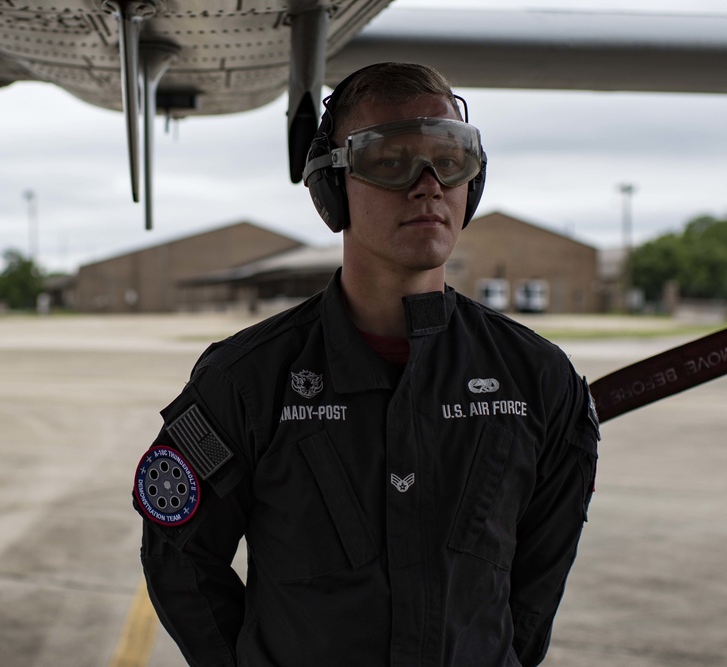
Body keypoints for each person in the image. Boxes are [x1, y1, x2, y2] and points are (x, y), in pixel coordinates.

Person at [132, 62, 599, 666]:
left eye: (450, 159)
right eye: (390, 160)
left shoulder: (540, 380)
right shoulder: (246, 382)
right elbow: (180, 559)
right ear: (332, 187)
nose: (427, 184)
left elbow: (536, 588)